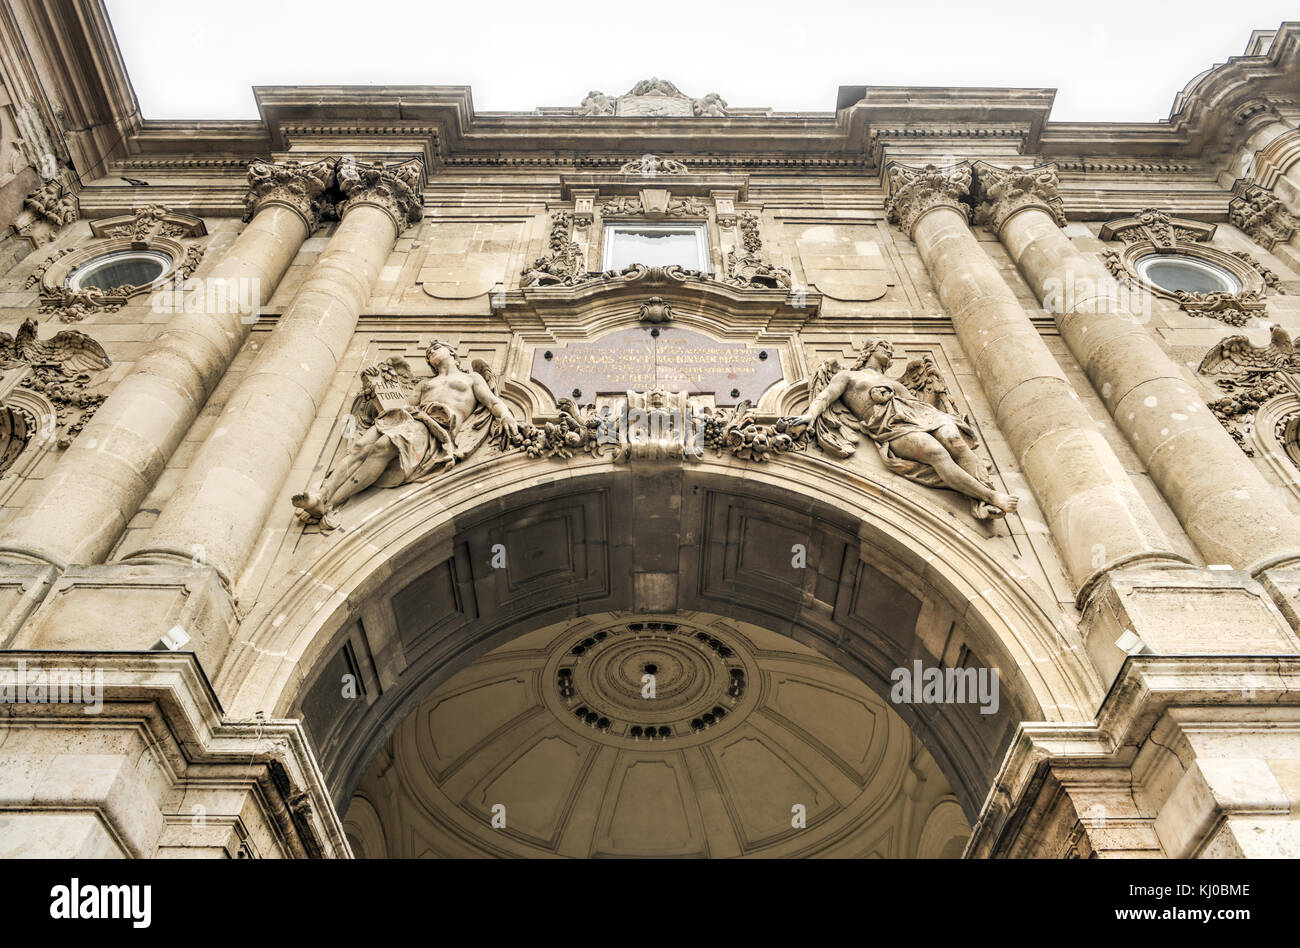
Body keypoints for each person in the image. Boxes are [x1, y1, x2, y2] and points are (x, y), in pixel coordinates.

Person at [781, 339, 1018, 519]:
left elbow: (921, 405)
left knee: (954, 440)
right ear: (869, 351)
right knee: (936, 454)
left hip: (920, 416)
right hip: (891, 427)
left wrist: (945, 405)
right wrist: (809, 416)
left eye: (890, 349)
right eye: (883, 346)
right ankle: (991, 497)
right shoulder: (847, 376)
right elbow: (825, 396)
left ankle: (983, 495)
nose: (888, 350)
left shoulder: (896, 383)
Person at [292, 341, 521, 525]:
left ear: (452, 352)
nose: (431, 352)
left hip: (434, 424)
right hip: (409, 417)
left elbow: (492, 402)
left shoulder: (472, 378)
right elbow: (400, 406)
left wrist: (507, 416)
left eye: (436, 348)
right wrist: (376, 386)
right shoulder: (425, 384)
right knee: (360, 448)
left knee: (383, 447)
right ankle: (322, 494)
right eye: (428, 353)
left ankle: (332, 502)